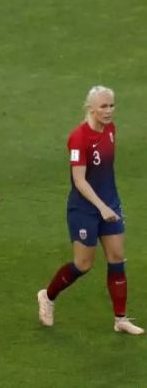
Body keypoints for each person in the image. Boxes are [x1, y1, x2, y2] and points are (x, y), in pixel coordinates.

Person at [36, 86, 143, 335]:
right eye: (103, 107)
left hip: (110, 204)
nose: (108, 111)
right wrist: (101, 207)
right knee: (83, 264)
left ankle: (121, 319)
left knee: (117, 257)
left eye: (111, 105)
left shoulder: (111, 130)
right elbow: (79, 180)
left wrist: (109, 205)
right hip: (85, 209)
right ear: (90, 108)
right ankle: (47, 296)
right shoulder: (78, 137)